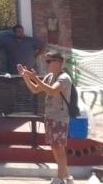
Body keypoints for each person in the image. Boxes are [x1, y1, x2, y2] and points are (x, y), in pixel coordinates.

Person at [18, 51, 74, 184]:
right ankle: (67, 177)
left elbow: (52, 91)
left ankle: (61, 179)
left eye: (49, 61)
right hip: (50, 117)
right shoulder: (49, 76)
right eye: (46, 61)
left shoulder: (64, 78)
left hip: (59, 118)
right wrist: (26, 76)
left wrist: (35, 77)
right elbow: (35, 89)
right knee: (55, 148)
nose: (46, 64)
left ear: (58, 63)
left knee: (59, 149)